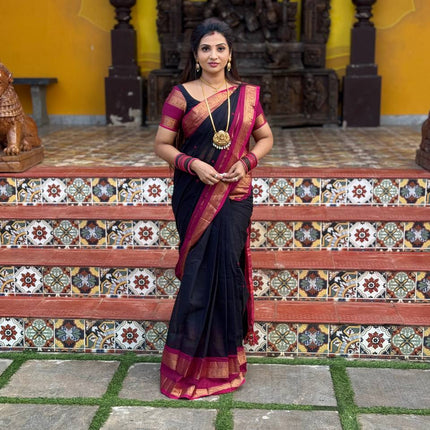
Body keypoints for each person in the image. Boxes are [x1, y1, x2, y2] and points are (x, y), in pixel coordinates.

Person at [154, 17, 273, 400]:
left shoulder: (247, 96)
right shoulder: (181, 96)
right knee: (199, 275)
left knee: (226, 271)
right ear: (195, 54)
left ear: (230, 53)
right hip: (195, 194)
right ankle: (187, 366)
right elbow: (162, 145)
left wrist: (247, 161)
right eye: (206, 48)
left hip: (235, 196)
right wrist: (193, 164)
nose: (213, 55)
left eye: (220, 48)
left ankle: (226, 362)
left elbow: (265, 137)